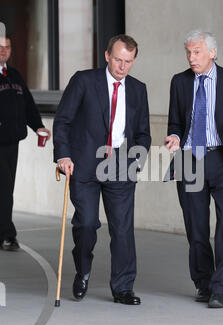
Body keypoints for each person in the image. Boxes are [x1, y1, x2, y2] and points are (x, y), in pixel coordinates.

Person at [53, 34, 151, 305]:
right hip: (84, 164)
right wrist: (63, 155)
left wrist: (134, 163)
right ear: (107, 56)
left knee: (122, 229)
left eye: (128, 61)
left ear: (134, 61)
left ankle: (123, 288)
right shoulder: (84, 81)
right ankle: (82, 270)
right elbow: (63, 121)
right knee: (86, 224)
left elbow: (143, 133)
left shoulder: (138, 89)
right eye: (118, 59)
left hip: (121, 167)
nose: (122, 67)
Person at [165, 29, 223, 308]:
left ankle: (221, 288)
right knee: (196, 227)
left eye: (197, 51)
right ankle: (204, 283)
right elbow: (175, 123)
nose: (192, 57)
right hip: (189, 159)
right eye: (188, 52)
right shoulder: (179, 82)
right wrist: (175, 136)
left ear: (212, 52)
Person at [0, 34, 51, 251]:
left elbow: (28, 104)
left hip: (12, 142)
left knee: (6, 189)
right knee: (2, 189)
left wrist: (38, 126)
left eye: (7, 47)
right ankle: (7, 235)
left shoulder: (14, 75)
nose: (3, 51)